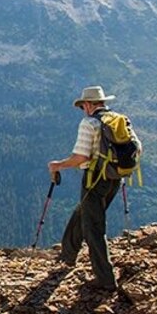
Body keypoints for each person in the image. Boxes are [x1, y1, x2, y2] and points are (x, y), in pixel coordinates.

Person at [48, 85, 139, 292]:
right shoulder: (120, 120)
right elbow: (137, 147)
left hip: (94, 179)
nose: (83, 110)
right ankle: (68, 254)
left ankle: (105, 279)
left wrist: (57, 165)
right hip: (115, 178)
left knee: (93, 227)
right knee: (85, 212)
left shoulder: (89, 123)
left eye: (82, 106)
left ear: (88, 105)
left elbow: (81, 157)